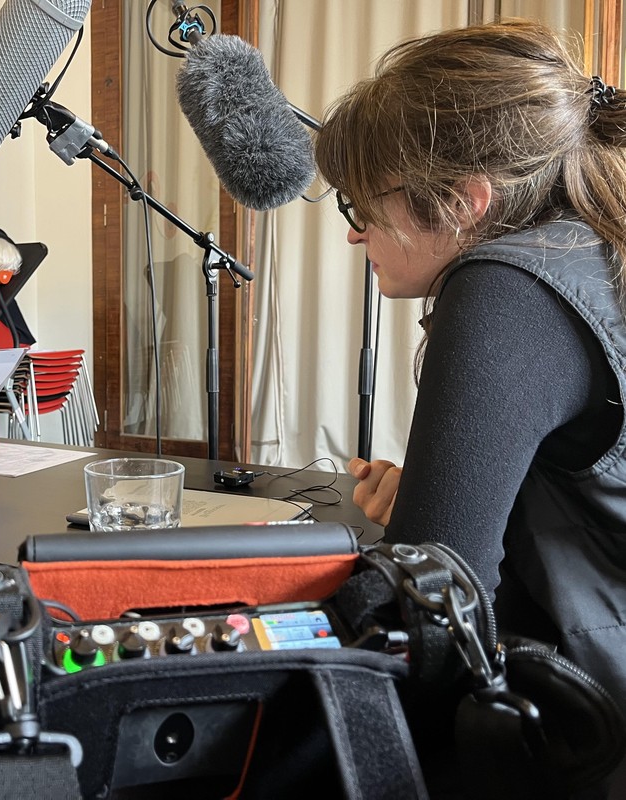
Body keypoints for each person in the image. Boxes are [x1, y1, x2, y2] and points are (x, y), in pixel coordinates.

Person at [314, 18, 626, 787]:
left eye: (361, 208)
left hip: (580, 733)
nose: (355, 235)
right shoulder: (593, 249)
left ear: (464, 201)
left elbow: (433, 613)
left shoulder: (505, 290)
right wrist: (440, 498)